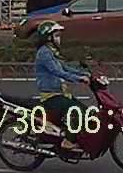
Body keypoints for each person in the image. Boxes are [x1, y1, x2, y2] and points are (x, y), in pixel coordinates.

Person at [33, 21, 90, 153]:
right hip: (51, 96)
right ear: (48, 38)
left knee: (86, 112)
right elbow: (58, 72)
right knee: (76, 111)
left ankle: (75, 137)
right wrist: (79, 79)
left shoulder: (52, 52)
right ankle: (68, 141)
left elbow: (65, 68)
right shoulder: (44, 53)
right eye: (56, 35)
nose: (59, 38)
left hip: (60, 93)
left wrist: (85, 74)